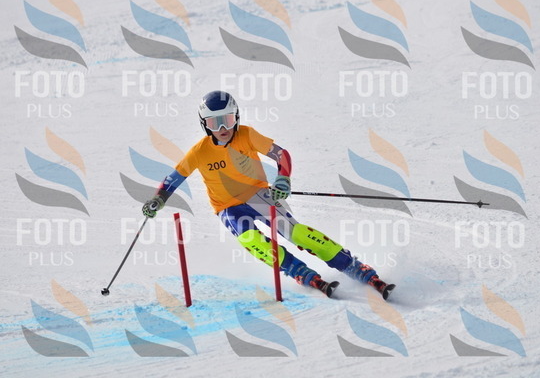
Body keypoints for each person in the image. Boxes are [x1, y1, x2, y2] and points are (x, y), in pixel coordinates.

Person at [143, 90, 395, 299]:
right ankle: (300, 272)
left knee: (297, 234)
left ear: (236, 118)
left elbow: (281, 154)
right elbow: (174, 179)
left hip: (259, 195)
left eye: (227, 120)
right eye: (214, 122)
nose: (222, 128)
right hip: (228, 208)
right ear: (204, 125)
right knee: (252, 240)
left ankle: (353, 267)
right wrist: (159, 199)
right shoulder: (199, 152)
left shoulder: (247, 135)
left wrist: (283, 178)